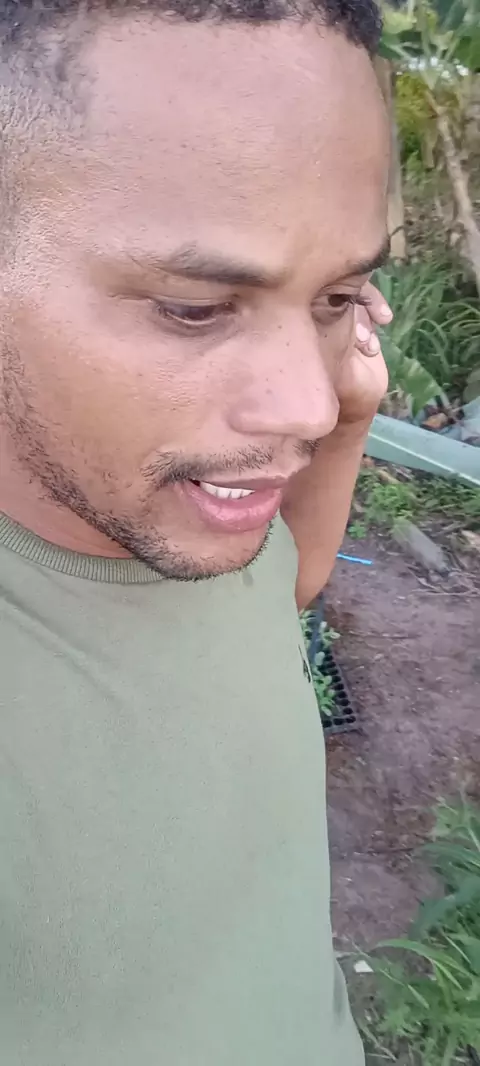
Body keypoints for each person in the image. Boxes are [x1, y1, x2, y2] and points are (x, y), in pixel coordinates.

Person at [0, 0, 392, 1061]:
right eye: (194, 308)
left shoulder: (195, 504)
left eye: (339, 296)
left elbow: (282, 589)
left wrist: (354, 426)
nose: (306, 405)